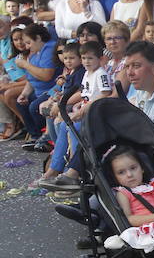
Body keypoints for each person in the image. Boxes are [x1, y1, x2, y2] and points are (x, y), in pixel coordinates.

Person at [38, 40, 113, 191]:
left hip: (96, 114)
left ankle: (73, 173)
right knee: (66, 126)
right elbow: (86, 95)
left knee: (74, 128)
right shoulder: (87, 73)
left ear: (100, 59)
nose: (86, 61)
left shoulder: (101, 74)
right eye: (84, 58)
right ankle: (56, 167)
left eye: (90, 58)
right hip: (86, 110)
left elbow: (105, 95)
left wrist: (82, 110)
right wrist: (79, 106)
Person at [14, 22, 59, 142]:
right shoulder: (35, 52)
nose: (27, 47)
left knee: (34, 107)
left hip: (50, 90)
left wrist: (25, 64)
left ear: (38, 38)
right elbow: (31, 78)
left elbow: (46, 76)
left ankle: (45, 138)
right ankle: (35, 136)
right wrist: (24, 94)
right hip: (38, 90)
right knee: (21, 103)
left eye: (29, 43)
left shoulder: (49, 48)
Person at [102, 20, 130, 93]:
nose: (112, 42)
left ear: (126, 40)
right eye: (109, 39)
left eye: (117, 38)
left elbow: (117, 95)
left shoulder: (129, 63)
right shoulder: (108, 64)